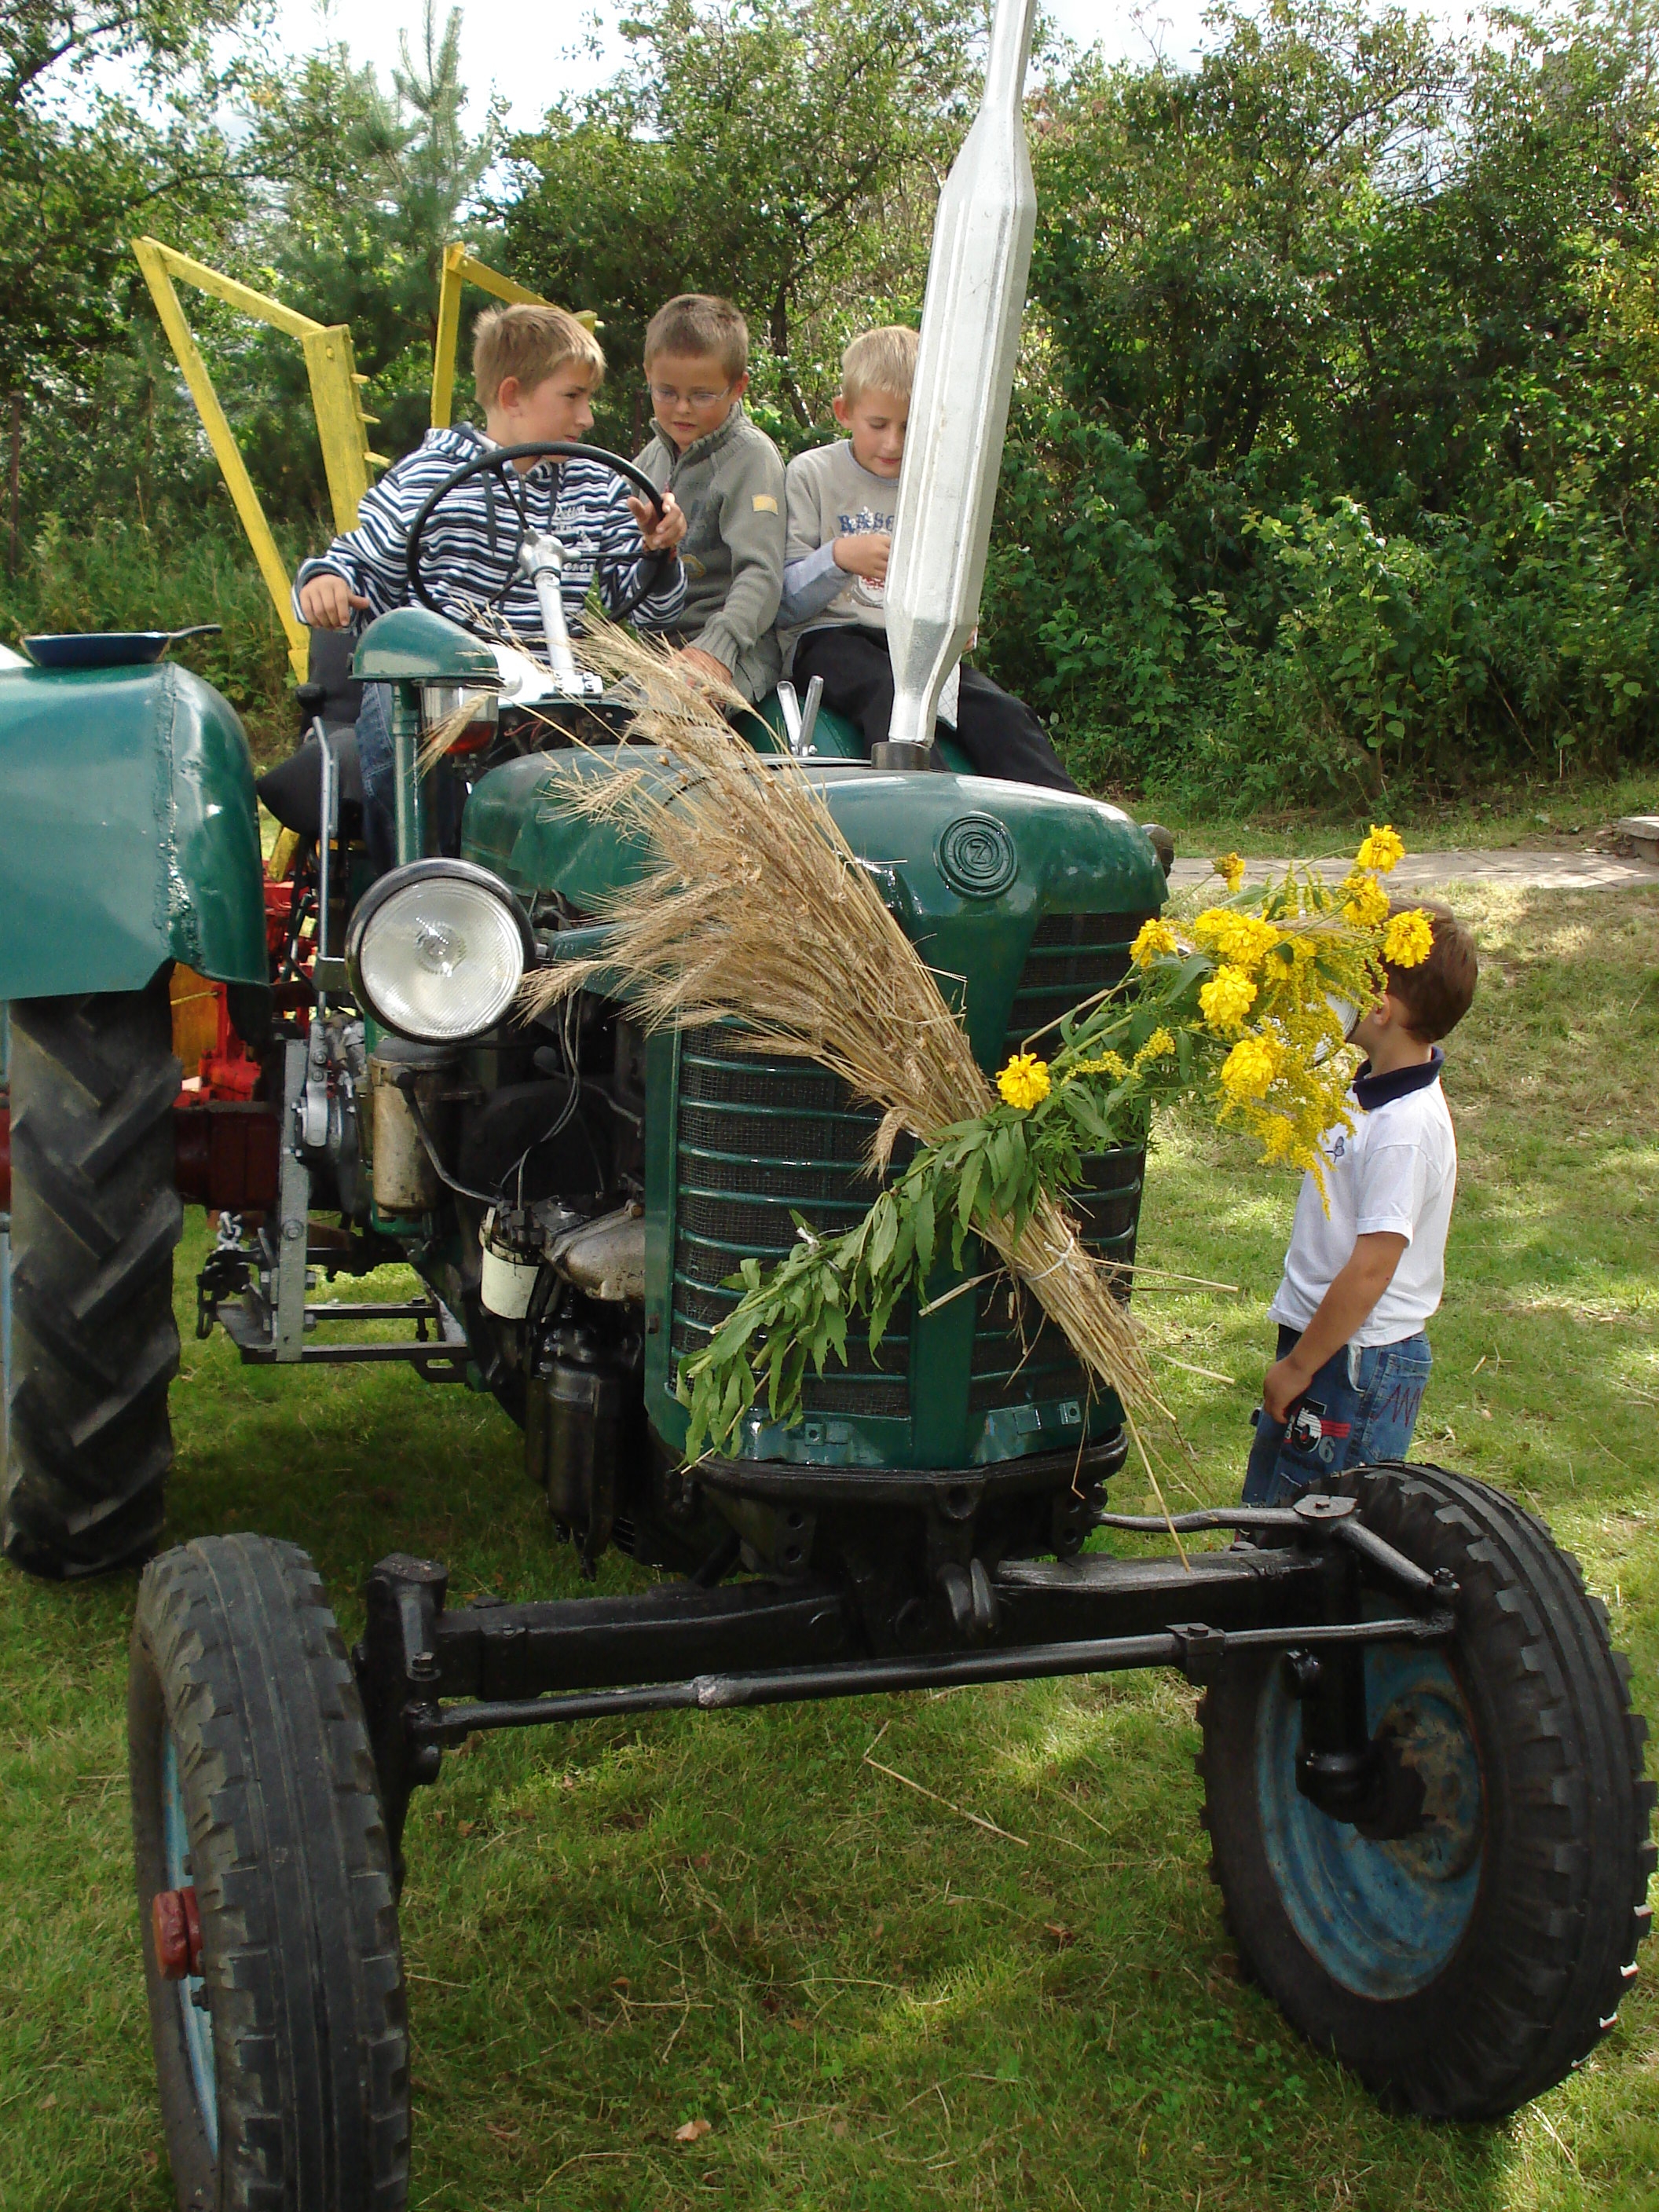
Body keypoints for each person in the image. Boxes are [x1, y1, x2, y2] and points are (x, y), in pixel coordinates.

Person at [295, 302, 688, 867]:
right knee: (399, 708)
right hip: (443, 686)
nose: (586, 418)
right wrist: (327, 581)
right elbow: (360, 562)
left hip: (552, 686)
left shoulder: (596, 484)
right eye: (572, 397)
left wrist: (658, 551)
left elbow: (651, 613)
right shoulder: (432, 474)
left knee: (649, 732)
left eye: (588, 399)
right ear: (512, 396)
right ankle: (423, 881)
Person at [1242, 901, 1480, 1505]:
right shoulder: (1367, 1090)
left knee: (1321, 1524)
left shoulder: (1406, 1127)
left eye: (1348, 976)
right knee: (1268, 1509)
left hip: (1357, 1360)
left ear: (1379, 1007)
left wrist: (1300, 1367)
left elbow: (1373, 1267)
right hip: (1322, 1338)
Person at [778, 325, 1077, 792]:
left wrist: (959, 624)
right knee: (891, 693)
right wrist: (838, 557)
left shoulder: (937, 490)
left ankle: (1078, 822)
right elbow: (784, 602)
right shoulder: (810, 475)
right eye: (879, 425)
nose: (893, 443)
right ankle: (934, 810)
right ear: (844, 412)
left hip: (914, 644)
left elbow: (950, 582)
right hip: (828, 640)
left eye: (909, 426)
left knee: (1003, 712)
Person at [631, 294, 786, 703]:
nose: (682, 408)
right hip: (657, 653)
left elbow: (761, 574)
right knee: (583, 721)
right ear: (648, 376)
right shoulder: (647, 462)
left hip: (736, 650)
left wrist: (717, 649)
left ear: (737, 388)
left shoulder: (751, 458)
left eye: (702, 395)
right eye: (666, 392)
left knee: (659, 718)